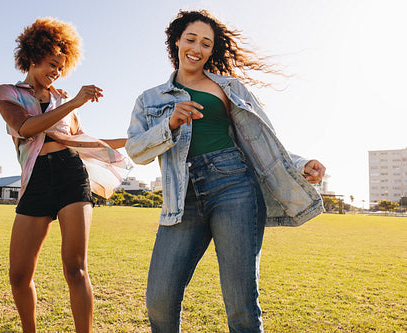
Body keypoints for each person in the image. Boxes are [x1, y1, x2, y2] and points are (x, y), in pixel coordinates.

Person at [126, 9, 325, 333]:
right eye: (191, 39)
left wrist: (301, 164)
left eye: (206, 43)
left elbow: (261, 141)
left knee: (241, 305)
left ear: (212, 50)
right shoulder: (150, 99)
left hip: (235, 186)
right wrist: (170, 123)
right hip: (182, 198)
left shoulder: (230, 87)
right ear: (176, 41)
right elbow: (135, 150)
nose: (197, 47)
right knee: (159, 299)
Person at [0, 18, 130, 333]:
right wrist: (74, 101)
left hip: (71, 174)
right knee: (18, 275)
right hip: (37, 179)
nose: (56, 72)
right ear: (32, 55)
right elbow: (27, 127)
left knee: (75, 268)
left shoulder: (64, 101)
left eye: (61, 67)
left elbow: (87, 142)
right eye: (51, 64)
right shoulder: (9, 92)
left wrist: (144, 136)